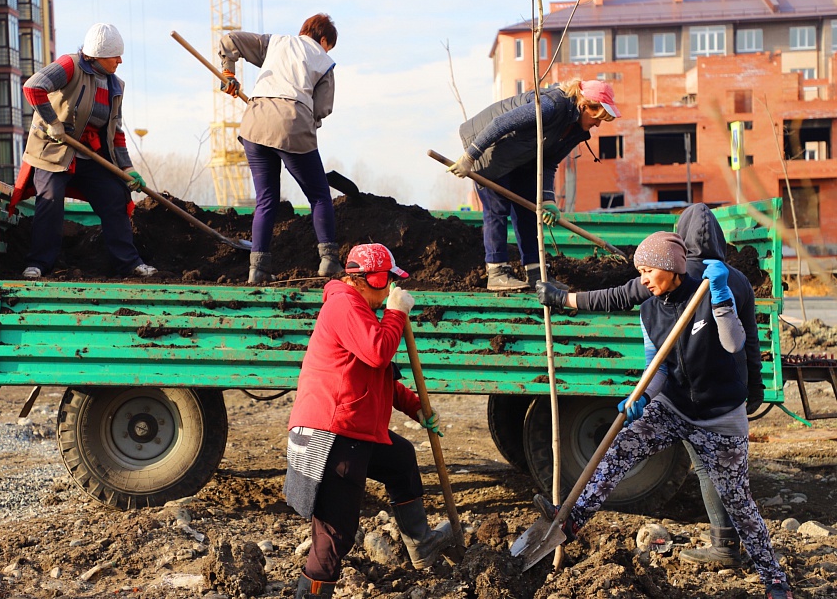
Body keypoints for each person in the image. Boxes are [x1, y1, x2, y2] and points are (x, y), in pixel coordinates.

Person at [533, 231, 793, 599]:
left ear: (671, 267)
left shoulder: (710, 292)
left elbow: (734, 343)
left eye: (648, 270)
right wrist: (641, 396)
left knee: (739, 504)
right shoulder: (649, 308)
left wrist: (720, 298)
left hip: (720, 415)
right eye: (639, 271)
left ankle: (775, 579)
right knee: (620, 448)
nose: (642, 280)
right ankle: (572, 519)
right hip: (672, 407)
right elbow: (657, 366)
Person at [284, 243, 452, 598]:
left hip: (353, 431)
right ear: (368, 280)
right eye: (387, 283)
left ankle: (421, 545)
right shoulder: (344, 304)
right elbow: (378, 354)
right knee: (334, 539)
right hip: (331, 437)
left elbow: (380, 379)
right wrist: (396, 314)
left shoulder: (358, 309)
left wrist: (417, 408)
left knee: (401, 459)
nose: (390, 290)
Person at [449, 79, 620, 291]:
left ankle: (536, 273)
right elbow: (500, 124)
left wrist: (548, 201)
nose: (598, 124)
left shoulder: (575, 130)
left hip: (521, 155)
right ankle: (497, 272)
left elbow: (549, 162)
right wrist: (470, 157)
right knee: (497, 209)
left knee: (530, 209)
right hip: (490, 146)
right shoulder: (550, 106)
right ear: (584, 106)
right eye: (598, 118)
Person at [17, 23, 155, 280]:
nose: (120, 61)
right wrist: (53, 122)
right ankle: (38, 263)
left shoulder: (116, 85)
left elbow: (116, 131)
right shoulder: (70, 66)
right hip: (53, 151)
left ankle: (129, 264)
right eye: (115, 55)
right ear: (97, 55)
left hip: (89, 156)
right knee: (50, 198)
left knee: (115, 196)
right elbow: (33, 87)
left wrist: (128, 169)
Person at [218, 14, 340, 284]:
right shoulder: (324, 59)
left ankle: (258, 268)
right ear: (323, 40)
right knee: (319, 196)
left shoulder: (274, 43)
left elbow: (231, 40)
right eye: (328, 45)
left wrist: (228, 72)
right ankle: (329, 261)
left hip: (254, 122)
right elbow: (323, 108)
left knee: (266, 199)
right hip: (292, 124)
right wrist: (309, 123)